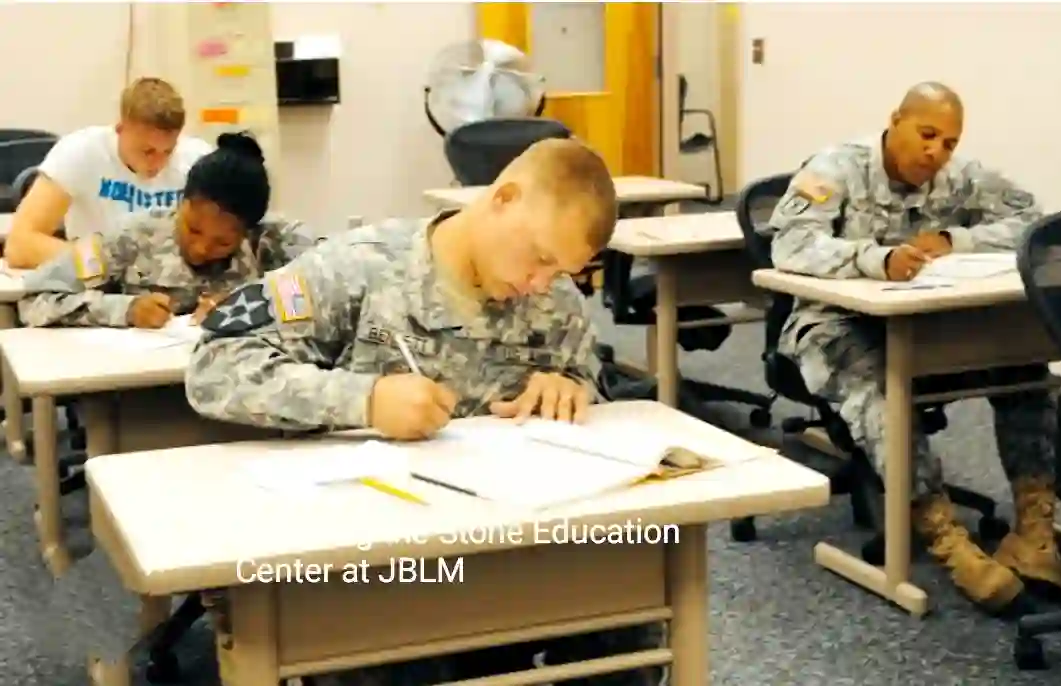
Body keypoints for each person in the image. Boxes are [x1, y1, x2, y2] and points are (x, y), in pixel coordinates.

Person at [185, 138, 663, 686]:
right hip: (382, 561)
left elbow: (587, 390)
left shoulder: (554, 303)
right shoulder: (359, 265)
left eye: (563, 272)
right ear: (504, 198)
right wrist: (362, 400)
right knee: (393, 655)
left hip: (516, 556)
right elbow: (215, 361)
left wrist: (571, 385)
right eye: (540, 257)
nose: (540, 283)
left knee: (633, 617)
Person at [768, 81, 1061, 615]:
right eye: (927, 134)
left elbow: (1032, 219)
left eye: (949, 142)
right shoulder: (835, 169)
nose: (937, 152)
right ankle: (945, 539)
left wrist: (959, 242)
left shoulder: (960, 177)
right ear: (896, 120)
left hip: (930, 325)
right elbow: (789, 244)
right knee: (883, 393)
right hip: (833, 327)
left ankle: (1033, 532)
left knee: (1025, 367)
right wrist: (873, 259)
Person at [18, 132, 320, 329]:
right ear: (181, 201)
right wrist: (126, 309)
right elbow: (37, 299)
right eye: (193, 229)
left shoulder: (273, 243)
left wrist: (252, 308)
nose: (202, 249)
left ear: (246, 233)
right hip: (133, 396)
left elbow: (335, 295)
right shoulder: (130, 237)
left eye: (222, 242)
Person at [6, 77, 214, 269]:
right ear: (120, 129)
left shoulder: (198, 159)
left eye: (168, 151)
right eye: (147, 151)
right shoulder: (81, 151)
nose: (158, 162)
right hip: (98, 278)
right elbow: (20, 244)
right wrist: (104, 264)